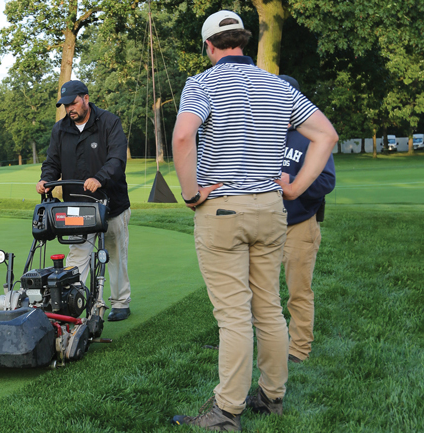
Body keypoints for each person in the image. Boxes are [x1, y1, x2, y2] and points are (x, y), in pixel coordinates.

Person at [169, 10, 338, 431]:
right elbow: (326, 135)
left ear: (209, 46)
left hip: (223, 209)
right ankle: (272, 396)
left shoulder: (202, 82)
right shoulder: (277, 84)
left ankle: (227, 411)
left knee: (233, 315)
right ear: (242, 41)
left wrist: (191, 193)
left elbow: (184, 136)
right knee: (268, 309)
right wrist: (295, 189)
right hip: (270, 209)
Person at [36, 80, 132, 322]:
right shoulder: (60, 129)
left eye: (73, 102)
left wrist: (100, 178)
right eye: (65, 105)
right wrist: (46, 180)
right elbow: (52, 163)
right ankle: (72, 303)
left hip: (111, 204)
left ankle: (120, 302)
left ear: (86, 98)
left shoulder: (109, 122)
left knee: (114, 254)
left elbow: (117, 159)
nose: (70, 108)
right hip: (76, 207)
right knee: (77, 256)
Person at [278, 75, 336, 364]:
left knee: (298, 292)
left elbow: (326, 181)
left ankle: (298, 349)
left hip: (298, 225)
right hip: (262, 225)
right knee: (252, 291)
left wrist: (293, 184)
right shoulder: (262, 133)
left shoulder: (312, 135)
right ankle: (254, 342)